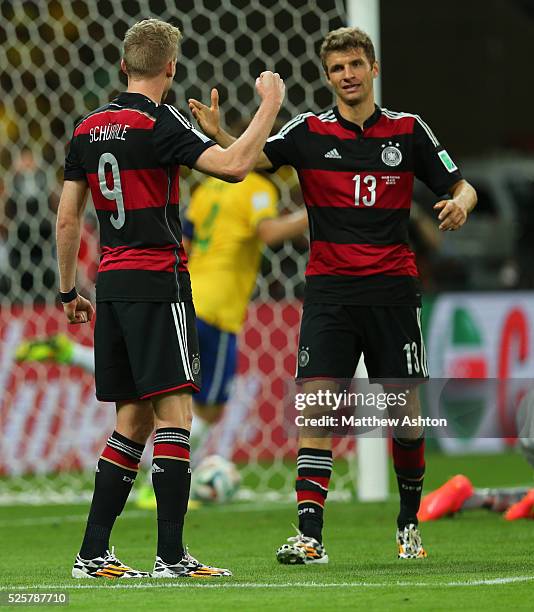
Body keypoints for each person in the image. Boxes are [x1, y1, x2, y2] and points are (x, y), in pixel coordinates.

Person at [189, 26, 477, 563]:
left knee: (406, 416)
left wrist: (460, 202)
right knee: (318, 409)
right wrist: (221, 134)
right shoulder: (306, 132)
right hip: (329, 293)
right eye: (337, 69)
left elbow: (461, 184)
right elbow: (246, 163)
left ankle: (408, 522)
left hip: (392, 291)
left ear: (373, 69)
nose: (347, 75)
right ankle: (310, 536)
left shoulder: (408, 131)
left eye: (354, 65)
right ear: (328, 78)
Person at [56, 18, 284, 579]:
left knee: (131, 418)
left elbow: (67, 218)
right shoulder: (160, 123)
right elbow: (234, 167)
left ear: (123, 66)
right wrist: (269, 105)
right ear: (171, 68)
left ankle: (92, 553)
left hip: (110, 284)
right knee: (176, 414)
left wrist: (68, 291)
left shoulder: (86, 126)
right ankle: (172, 557)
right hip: (159, 282)